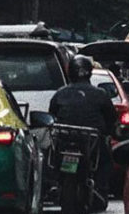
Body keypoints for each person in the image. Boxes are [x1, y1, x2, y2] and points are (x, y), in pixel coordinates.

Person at [48, 54, 118, 200]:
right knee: (105, 160)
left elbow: (52, 114)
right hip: (85, 141)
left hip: (71, 139)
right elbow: (111, 118)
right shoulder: (100, 94)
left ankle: (54, 182)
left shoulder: (60, 93)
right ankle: (100, 188)